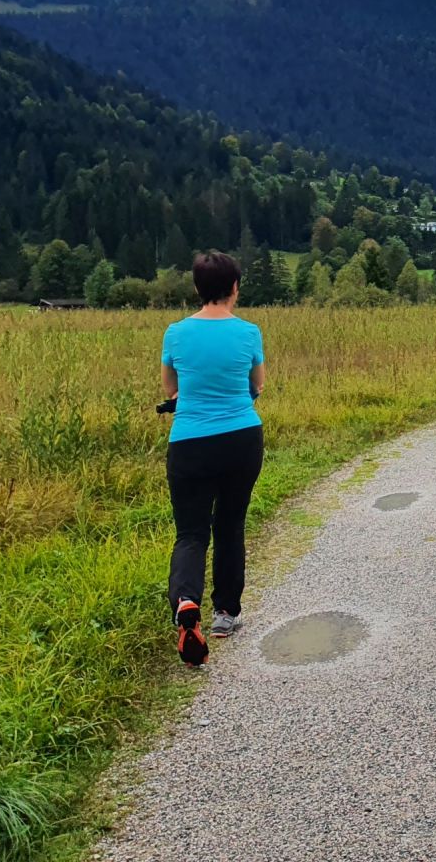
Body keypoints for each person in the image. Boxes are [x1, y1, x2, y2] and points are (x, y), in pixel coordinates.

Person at [160, 250, 266, 667]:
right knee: (230, 524)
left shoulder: (175, 333)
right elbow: (257, 385)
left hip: (189, 442)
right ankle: (225, 614)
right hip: (241, 438)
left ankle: (187, 601)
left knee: (190, 532)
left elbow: (171, 389)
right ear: (234, 287)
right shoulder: (249, 333)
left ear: (197, 289)